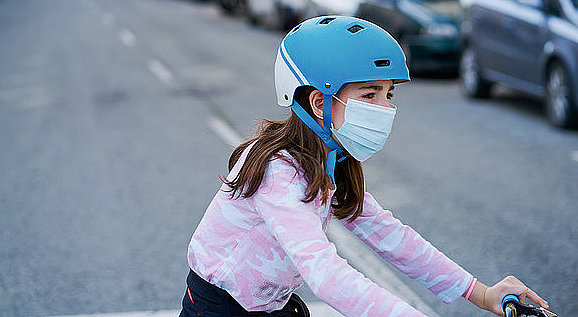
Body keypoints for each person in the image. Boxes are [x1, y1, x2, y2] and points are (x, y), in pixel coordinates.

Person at [179, 16, 549, 316]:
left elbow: (391, 236)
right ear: (319, 104)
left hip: (271, 306)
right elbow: (326, 275)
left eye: (388, 94)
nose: (384, 109)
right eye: (369, 94)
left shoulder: (330, 158)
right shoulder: (279, 171)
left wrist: (482, 294)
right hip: (219, 310)